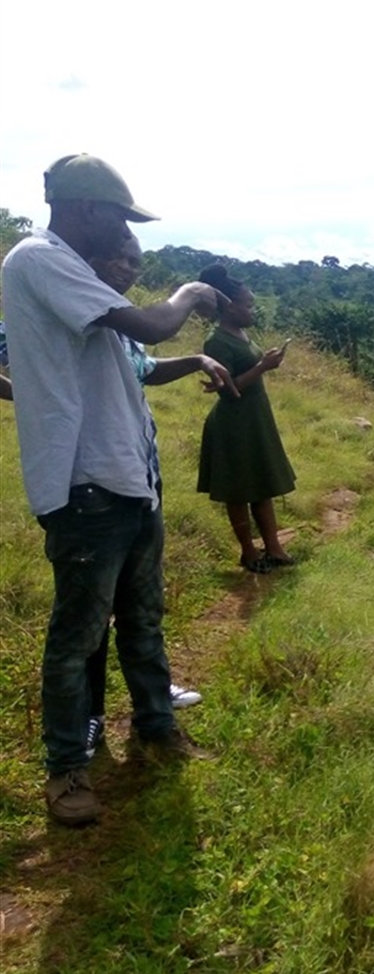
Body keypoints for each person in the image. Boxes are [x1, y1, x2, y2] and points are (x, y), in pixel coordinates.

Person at [2, 154, 234, 826]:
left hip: (127, 480)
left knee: (142, 620)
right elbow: (153, 326)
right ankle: (66, 770)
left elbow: (136, 363)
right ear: (83, 210)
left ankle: (158, 731)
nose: (127, 233)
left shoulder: (73, 271)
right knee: (76, 638)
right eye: (120, 218)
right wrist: (190, 295)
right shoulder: (36, 259)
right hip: (84, 484)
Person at [82, 234, 213, 759]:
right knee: (90, 614)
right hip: (92, 482)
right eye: (115, 255)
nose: (126, 268)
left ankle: (152, 709)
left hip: (139, 476)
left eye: (135, 261)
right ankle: (87, 720)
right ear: (85, 256)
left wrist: (199, 360)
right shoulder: (70, 312)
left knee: (140, 605)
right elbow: (11, 348)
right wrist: (29, 395)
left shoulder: (117, 320)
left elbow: (146, 369)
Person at [195, 264, 296, 573]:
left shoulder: (239, 333)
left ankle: (275, 548)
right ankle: (249, 551)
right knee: (238, 491)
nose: (253, 310)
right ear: (229, 307)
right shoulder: (216, 342)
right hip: (234, 425)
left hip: (254, 420)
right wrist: (263, 367)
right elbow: (228, 391)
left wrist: (263, 363)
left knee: (261, 485)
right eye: (248, 305)